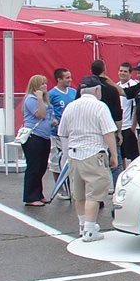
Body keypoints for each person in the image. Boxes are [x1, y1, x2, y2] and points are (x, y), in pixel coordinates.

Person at [58, 75, 117, 242]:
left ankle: (82, 225)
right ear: (97, 90)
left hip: (74, 154)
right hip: (94, 153)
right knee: (94, 193)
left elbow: (62, 132)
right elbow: (108, 132)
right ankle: (90, 229)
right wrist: (113, 154)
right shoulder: (100, 107)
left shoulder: (70, 106)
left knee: (79, 193)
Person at [85, 60, 125, 186]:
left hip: (91, 129)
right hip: (110, 128)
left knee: (93, 163)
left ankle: (95, 194)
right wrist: (119, 132)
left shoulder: (85, 89)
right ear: (105, 70)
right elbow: (118, 114)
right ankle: (118, 191)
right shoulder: (112, 90)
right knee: (115, 163)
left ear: (91, 71)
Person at [21, 74, 54, 206]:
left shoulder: (45, 100)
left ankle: (38, 193)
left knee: (41, 167)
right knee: (34, 167)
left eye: (45, 83)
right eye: (42, 84)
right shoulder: (31, 99)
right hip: (33, 137)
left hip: (44, 136)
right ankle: (30, 196)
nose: (45, 86)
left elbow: (48, 117)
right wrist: (39, 98)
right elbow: (40, 114)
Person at [48, 68, 77, 199]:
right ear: (59, 79)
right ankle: (59, 188)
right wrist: (53, 121)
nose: (70, 80)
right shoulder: (52, 94)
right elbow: (48, 111)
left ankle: (72, 187)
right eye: (67, 78)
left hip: (72, 133)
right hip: (57, 133)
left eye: (70, 77)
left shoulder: (73, 92)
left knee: (70, 160)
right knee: (56, 160)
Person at [116, 62, 140, 164]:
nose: (122, 73)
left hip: (129, 127)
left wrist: (133, 127)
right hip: (118, 127)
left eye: (125, 71)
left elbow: (135, 107)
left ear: (130, 74)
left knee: (133, 156)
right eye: (121, 71)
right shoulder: (116, 86)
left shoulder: (134, 86)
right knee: (121, 155)